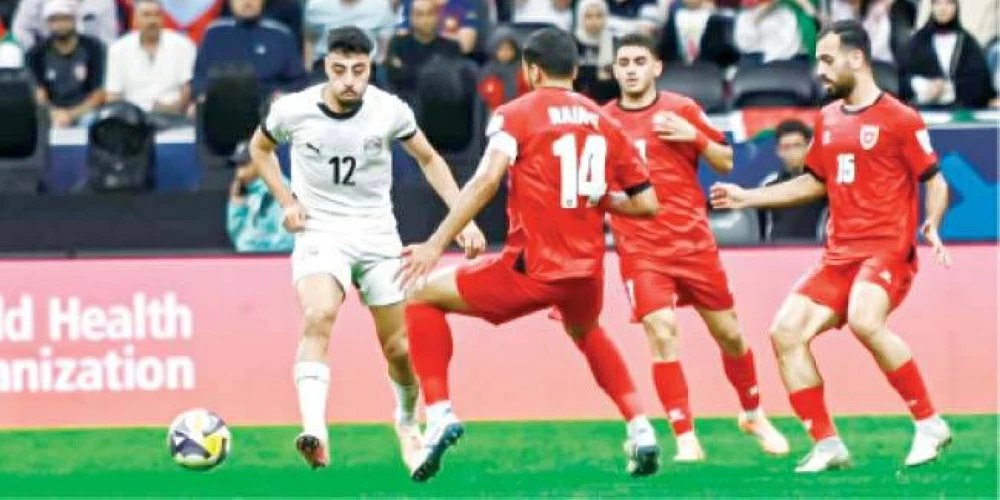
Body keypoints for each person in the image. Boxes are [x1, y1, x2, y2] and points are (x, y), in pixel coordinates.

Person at [398, 27, 662, 483]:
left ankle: (439, 414)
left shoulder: (515, 114)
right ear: (575, 70)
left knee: (420, 295)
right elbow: (647, 204)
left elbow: (487, 179)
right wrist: (602, 198)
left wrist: (436, 243)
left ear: (531, 71)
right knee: (587, 330)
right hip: (587, 269)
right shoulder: (605, 121)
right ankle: (641, 429)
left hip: (533, 266)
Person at [711, 20, 953, 473]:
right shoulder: (827, 118)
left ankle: (929, 423)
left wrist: (933, 224)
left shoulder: (900, 117)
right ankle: (827, 444)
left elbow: (935, 180)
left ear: (856, 58)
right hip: (839, 255)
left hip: (887, 250)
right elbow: (813, 183)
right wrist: (748, 197)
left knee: (865, 318)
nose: (819, 70)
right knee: (785, 333)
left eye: (827, 59)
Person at [248, 25, 486, 471]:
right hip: (321, 233)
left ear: (370, 68)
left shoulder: (388, 110)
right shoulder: (293, 110)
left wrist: (464, 219)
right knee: (318, 314)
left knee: (399, 348)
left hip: (377, 236)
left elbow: (429, 158)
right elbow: (259, 149)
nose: (349, 81)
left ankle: (407, 425)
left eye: (358, 70)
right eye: (340, 70)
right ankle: (314, 430)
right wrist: (288, 201)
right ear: (326, 67)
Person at [603, 33, 789, 462]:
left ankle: (753, 413)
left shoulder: (682, 109)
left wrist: (694, 136)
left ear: (656, 68)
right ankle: (685, 435)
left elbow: (726, 160)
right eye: (623, 63)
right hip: (640, 248)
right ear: (614, 71)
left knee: (730, 335)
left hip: (692, 243)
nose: (631, 69)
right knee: (661, 331)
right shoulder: (603, 120)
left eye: (639, 61)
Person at [105, 0, 196, 124]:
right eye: (146, 15)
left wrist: (173, 108)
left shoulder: (183, 45)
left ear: (163, 19)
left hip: (174, 116)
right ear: (135, 19)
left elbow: (188, 88)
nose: (152, 21)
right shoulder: (118, 49)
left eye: (157, 15)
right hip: (132, 120)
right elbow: (113, 96)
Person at [26, 0, 106, 128]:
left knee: (92, 121)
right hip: (51, 113)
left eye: (65, 19)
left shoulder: (94, 48)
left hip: (84, 111)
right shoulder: (36, 53)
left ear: (74, 19)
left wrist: (71, 115)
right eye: (54, 20)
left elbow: (98, 95)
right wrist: (54, 114)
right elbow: (39, 96)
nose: (60, 25)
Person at [903, 0, 995, 109]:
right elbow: (903, 77)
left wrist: (947, 89)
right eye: (938, 3)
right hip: (923, 110)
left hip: (959, 111)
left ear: (956, 7)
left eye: (948, 3)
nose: (943, 8)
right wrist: (924, 86)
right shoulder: (918, 42)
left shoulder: (967, 43)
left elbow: (979, 82)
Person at [764, 119, 828, 241]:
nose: (792, 152)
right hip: (776, 250)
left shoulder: (822, 185)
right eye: (786, 147)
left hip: (814, 248)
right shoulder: (769, 187)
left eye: (797, 146)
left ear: (808, 147)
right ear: (778, 151)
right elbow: (762, 229)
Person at [226, 141, 293, 253]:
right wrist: (236, 205)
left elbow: (288, 243)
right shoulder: (252, 193)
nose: (239, 173)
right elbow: (237, 238)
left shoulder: (282, 190)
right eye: (237, 166)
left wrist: (250, 246)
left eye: (244, 164)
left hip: (278, 262)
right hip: (254, 261)